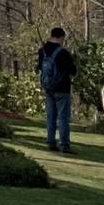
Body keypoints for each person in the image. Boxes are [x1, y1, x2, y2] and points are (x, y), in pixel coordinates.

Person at [37, 26, 76, 154]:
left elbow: (40, 68)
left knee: (51, 116)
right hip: (62, 89)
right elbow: (73, 71)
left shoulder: (42, 51)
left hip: (48, 87)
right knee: (63, 117)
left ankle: (51, 142)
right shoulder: (63, 53)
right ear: (60, 37)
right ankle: (64, 145)